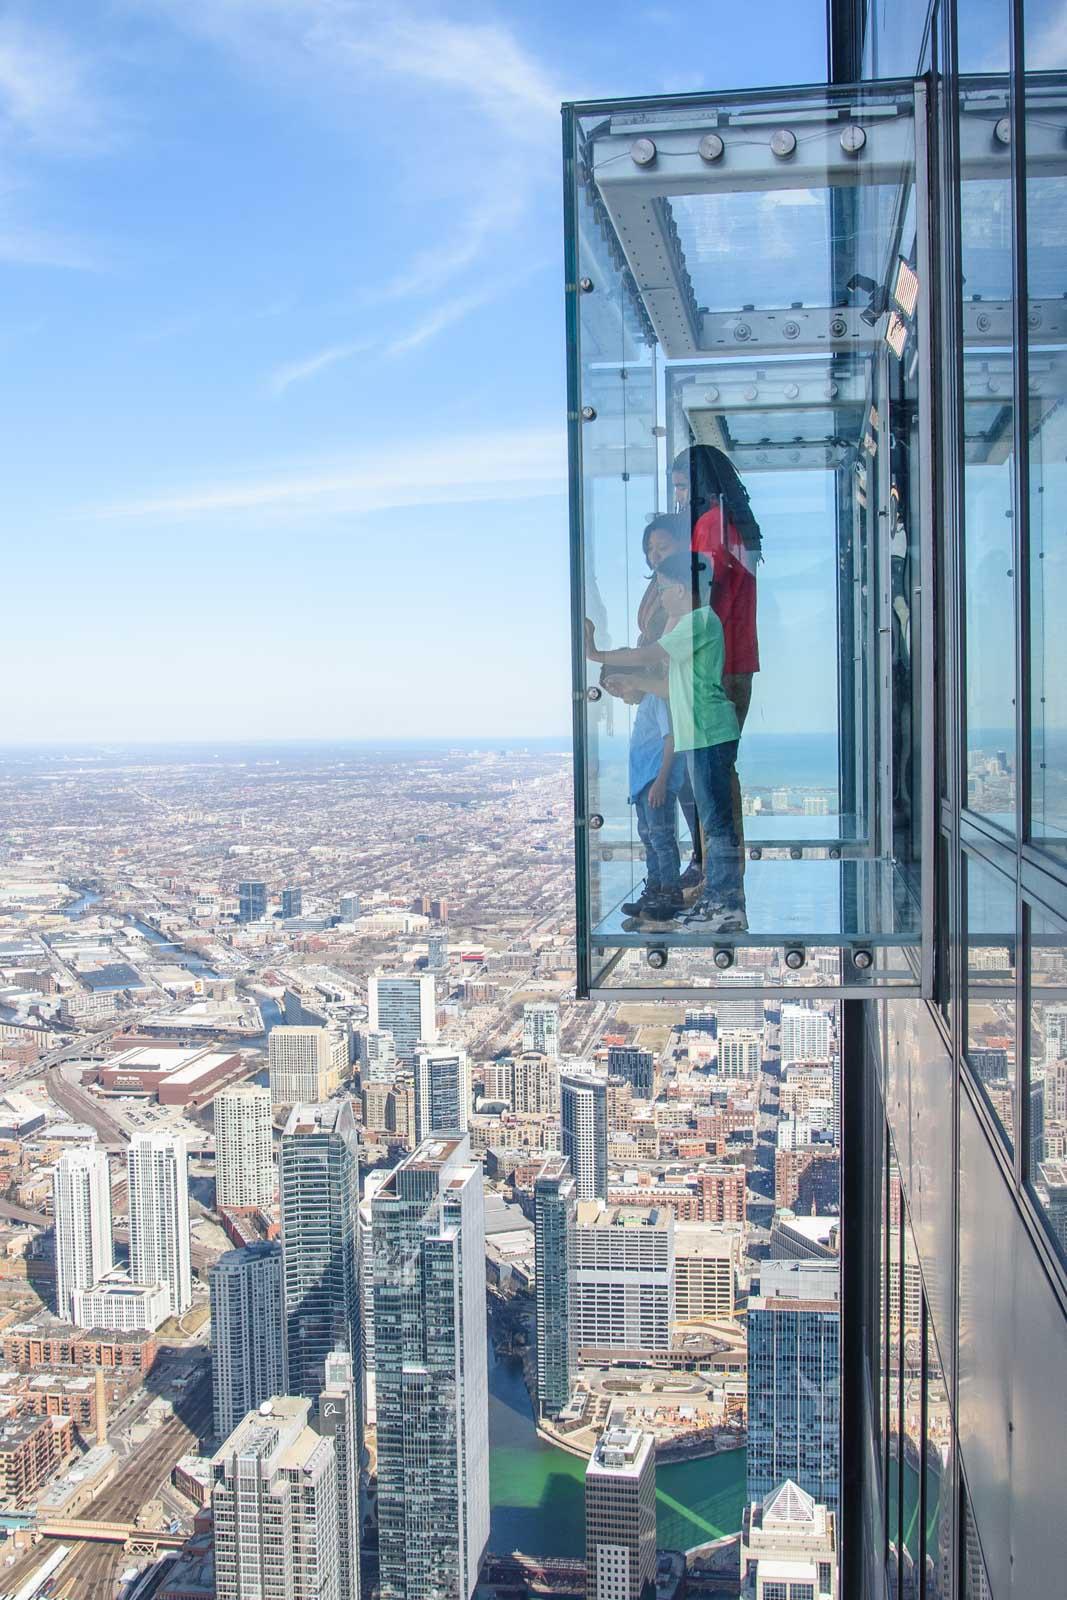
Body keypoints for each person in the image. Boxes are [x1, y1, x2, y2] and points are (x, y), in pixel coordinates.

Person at [585, 550, 745, 933]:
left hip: (708, 734)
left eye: (664, 588)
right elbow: (672, 688)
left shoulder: (699, 620)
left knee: (716, 825)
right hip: (701, 734)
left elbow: (649, 653)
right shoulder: (694, 626)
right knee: (712, 822)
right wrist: (633, 684)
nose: (661, 596)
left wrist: (595, 654)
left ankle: (726, 906)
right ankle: (717, 902)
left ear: (682, 588)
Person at [603, 513, 705, 896]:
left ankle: (695, 869)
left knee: (687, 794)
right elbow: (650, 642)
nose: (655, 555)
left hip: (678, 696)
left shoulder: (687, 593)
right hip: (661, 692)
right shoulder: (659, 593)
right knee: (672, 805)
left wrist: (604, 658)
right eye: (650, 549)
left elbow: (661, 647)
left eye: (663, 547)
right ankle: (677, 876)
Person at [610, 674, 685, 923]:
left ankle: (670, 892)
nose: (621, 698)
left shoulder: (656, 699)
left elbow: (670, 739)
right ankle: (654, 890)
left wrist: (661, 781)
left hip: (655, 782)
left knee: (661, 837)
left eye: (620, 690)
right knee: (650, 839)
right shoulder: (646, 704)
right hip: (644, 785)